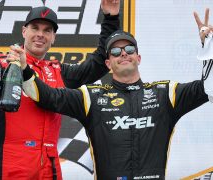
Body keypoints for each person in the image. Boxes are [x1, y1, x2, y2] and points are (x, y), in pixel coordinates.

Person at [15, 9, 213, 180]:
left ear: (138, 57)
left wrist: (209, 46)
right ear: (108, 64)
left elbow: (209, 87)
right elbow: (46, 96)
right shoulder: (90, 97)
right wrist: (25, 69)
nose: (123, 54)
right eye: (116, 52)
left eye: (129, 49)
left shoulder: (166, 94)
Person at [0, 0, 120, 179]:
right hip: (13, 162)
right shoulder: (4, 64)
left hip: (50, 164)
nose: (40, 34)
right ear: (24, 31)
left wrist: (111, 17)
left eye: (47, 30)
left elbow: (99, 64)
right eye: (35, 28)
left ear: (54, 37)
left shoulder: (59, 71)